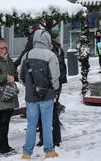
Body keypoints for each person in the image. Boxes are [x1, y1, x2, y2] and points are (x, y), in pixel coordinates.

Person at [20, 30, 60, 159]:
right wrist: (54, 89)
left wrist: (31, 88)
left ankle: (27, 153)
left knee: (31, 124)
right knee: (47, 124)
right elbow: (55, 77)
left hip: (31, 97)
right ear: (48, 40)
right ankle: (49, 150)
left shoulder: (26, 55)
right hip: (46, 95)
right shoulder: (50, 55)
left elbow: (21, 76)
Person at [37, 30, 66, 148]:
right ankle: (50, 138)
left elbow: (55, 68)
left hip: (51, 84)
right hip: (54, 84)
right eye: (58, 36)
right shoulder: (56, 48)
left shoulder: (53, 50)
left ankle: (51, 138)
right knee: (49, 111)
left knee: (48, 111)